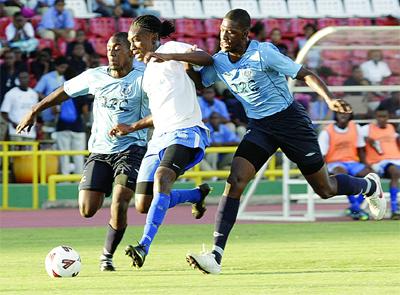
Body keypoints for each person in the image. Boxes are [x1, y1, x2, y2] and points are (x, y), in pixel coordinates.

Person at [185, 9, 386, 275]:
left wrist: (328, 99)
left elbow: (305, 74)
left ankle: (368, 185)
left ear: (245, 34)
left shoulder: (264, 53)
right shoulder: (220, 60)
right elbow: (201, 81)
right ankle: (215, 256)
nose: (224, 36)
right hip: (260, 127)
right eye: (222, 30)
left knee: (324, 189)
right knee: (234, 182)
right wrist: (186, 62)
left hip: (291, 122)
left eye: (231, 32)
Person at [16, 32, 149, 272]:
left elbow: (163, 107)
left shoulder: (144, 78)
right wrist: (34, 110)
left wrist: (135, 127)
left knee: (119, 203)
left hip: (132, 148)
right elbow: (64, 91)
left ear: (131, 51)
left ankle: (106, 256)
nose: (112, 51)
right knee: (87, 210)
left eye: (118, 47)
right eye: (109, 47)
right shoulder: (95, 76)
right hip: (100, 151)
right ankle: (111, 185)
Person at [109, 15, 213, 269]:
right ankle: (197, 195)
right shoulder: (146, 74)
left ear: (153, 38)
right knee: (143, 203)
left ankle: (144, 245)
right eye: (131, 41)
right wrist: (132, 126)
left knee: (162, 178)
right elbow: (161, 112)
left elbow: (207, 58)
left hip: (186, 132)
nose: (133, 46)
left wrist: (171, 57)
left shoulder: (170, 49)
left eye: (136, 40)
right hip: (159, 138)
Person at [318, 112, 372, 220]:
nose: (343, 115)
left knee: (371, 175)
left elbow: (361, 150)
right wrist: (324, 171)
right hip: (335, 163)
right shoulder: (327, 132)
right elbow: (322, 155)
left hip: (352, 162)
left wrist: (366, 165)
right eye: (340, 113)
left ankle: (355, 207)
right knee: (342, 174)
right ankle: (356, 208)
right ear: (335, 115)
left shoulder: (356, 128)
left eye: (346, 113)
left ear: (350, 116)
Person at [361, 106, 400, 220]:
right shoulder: (367, 129)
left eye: (384, 116)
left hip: (396, 160)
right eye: (379, 116)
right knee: (394, 171)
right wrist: (366, 163)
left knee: (395, 170)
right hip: (379, 162)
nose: (382, 119)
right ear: (375, 117)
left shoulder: (391, 128)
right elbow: (360, 147)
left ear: (388, 117)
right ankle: (394, 209)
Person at [1, 71, 39, 142]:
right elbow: (4, 112)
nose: (23, 80)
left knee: (29, 153)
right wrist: (12, 123)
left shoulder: (34, 94)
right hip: (15, 132)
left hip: (30, 133)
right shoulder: (11, 93)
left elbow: (35, 112)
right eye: (21, 78)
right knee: (15, 153)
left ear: (29, 79)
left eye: (25, 77)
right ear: (18, 80)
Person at [34, 56, 68, 125]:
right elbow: (37, 92)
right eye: (62, 67)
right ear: (56, 66)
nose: (64, 70)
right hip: (48, 111)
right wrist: (50, 102)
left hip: (63, 112)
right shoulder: (47, 77)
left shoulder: (66, 78)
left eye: (65, 68)